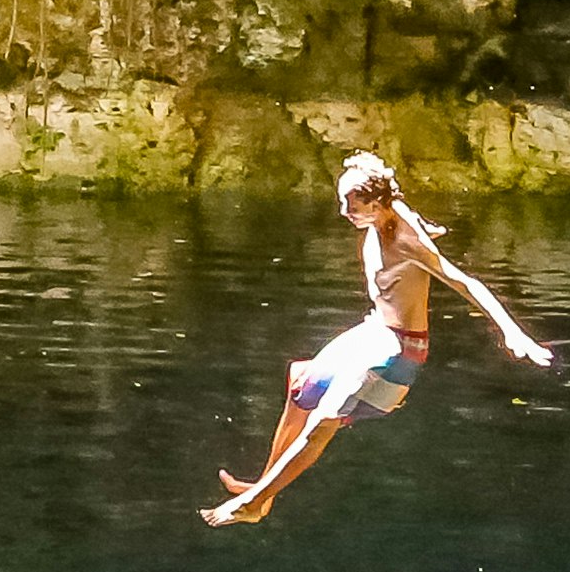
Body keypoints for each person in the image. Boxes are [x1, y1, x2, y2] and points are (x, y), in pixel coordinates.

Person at [203, 152, 552, 526]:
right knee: (301, 383)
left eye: (352, 206)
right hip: (374, 330)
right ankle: (265, 494)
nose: (343, 212)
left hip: (400, 346)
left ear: (376, 203)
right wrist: (430, 225)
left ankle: (255, 501)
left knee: (324, 418)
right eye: (342, 202)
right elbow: (405, 207)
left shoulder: (406, 242)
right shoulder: (390, 209)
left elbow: (466, 283)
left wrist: (513, 332)